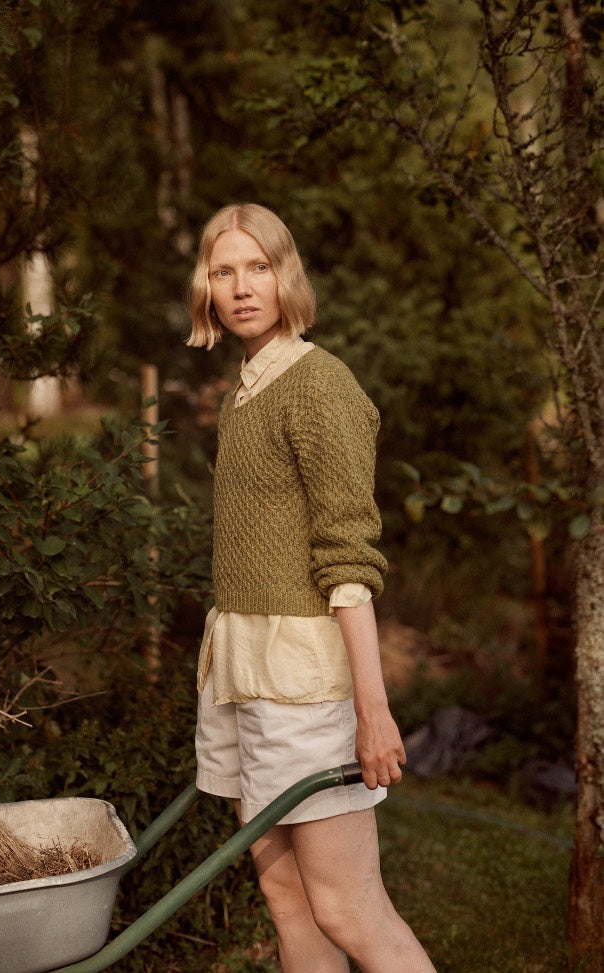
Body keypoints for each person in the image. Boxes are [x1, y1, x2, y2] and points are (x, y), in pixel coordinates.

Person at [186, 203, 435, 973]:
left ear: (286, 274)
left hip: (305, 689)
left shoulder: (318, 385)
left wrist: (373, 709)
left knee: (348, 907)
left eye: (258, 266)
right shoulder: (246, 391)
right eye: (224, 270)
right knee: (288, 899)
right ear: (206, 286)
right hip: (242, 677)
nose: (241, 286)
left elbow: (349, 562)